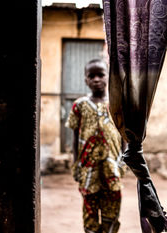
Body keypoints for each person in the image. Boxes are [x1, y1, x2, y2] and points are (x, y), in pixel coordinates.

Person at [65, 59, 125, 233]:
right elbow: (75, 136)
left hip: (112, 167)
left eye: (101, 75)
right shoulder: (80, 105)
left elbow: (124, 133)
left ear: (108, 77)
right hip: (88, 168)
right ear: (85, 80)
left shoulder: (117, 103)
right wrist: (76, 163)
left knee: (112, 208)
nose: (96, 79)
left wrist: (124, 159)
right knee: (90, 208)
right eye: (92, 76)